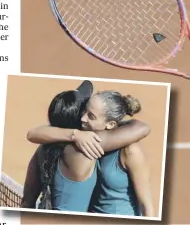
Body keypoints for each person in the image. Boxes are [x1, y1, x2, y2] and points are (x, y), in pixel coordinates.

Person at [22, 82, 153, 217]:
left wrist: (73, 134)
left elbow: (27, 202)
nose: (83, 117)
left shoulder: (43, 149)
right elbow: (141, 127)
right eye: (83, 111)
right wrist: (76, 134)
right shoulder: (84, 145)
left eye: (90, 116)